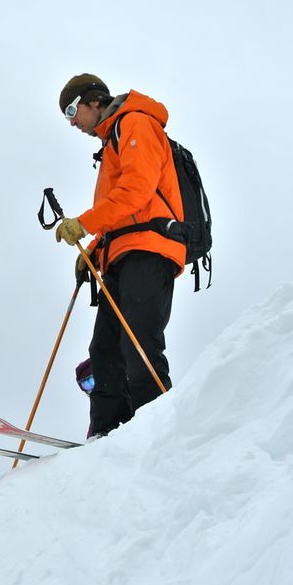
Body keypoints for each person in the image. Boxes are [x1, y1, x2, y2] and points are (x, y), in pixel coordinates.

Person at [54, 73, 185, 437]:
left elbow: (136, 192)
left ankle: (156, 431)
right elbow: (122, 215)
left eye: (71, 110)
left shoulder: (135, 123)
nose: (72, 122)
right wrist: (93, 251)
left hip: (149, 249)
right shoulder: (111, 142)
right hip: (122, 252)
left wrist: (82, 224)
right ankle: (107, 432)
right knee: (104, 350)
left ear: (93, 100)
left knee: (139, 344)